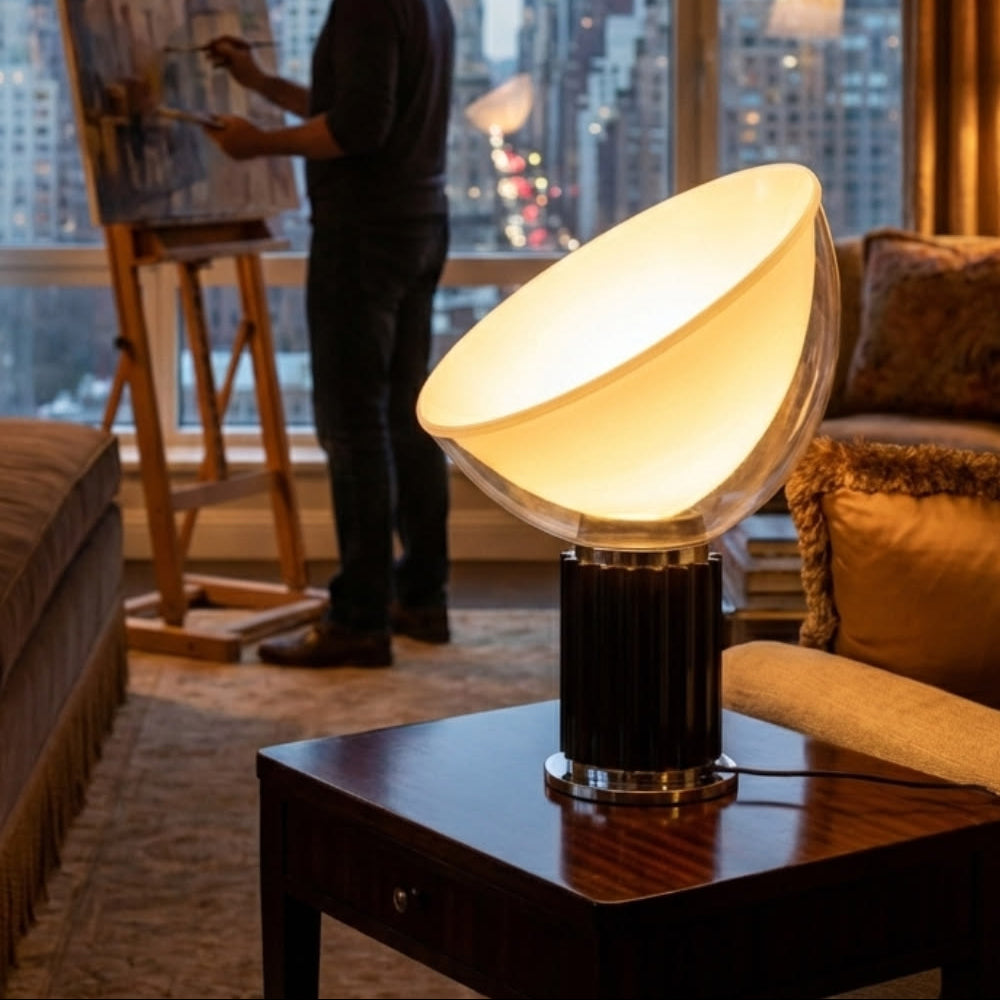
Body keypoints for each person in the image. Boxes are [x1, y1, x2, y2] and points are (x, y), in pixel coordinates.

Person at [202, 0, 455, 667]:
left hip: (363, 232)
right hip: (418, 220)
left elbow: (357, 127)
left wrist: (257, 143)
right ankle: (421, 598)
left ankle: (359, 620)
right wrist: (260, 85)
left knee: (352, 423)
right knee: (405, 415)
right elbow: (362, 102)